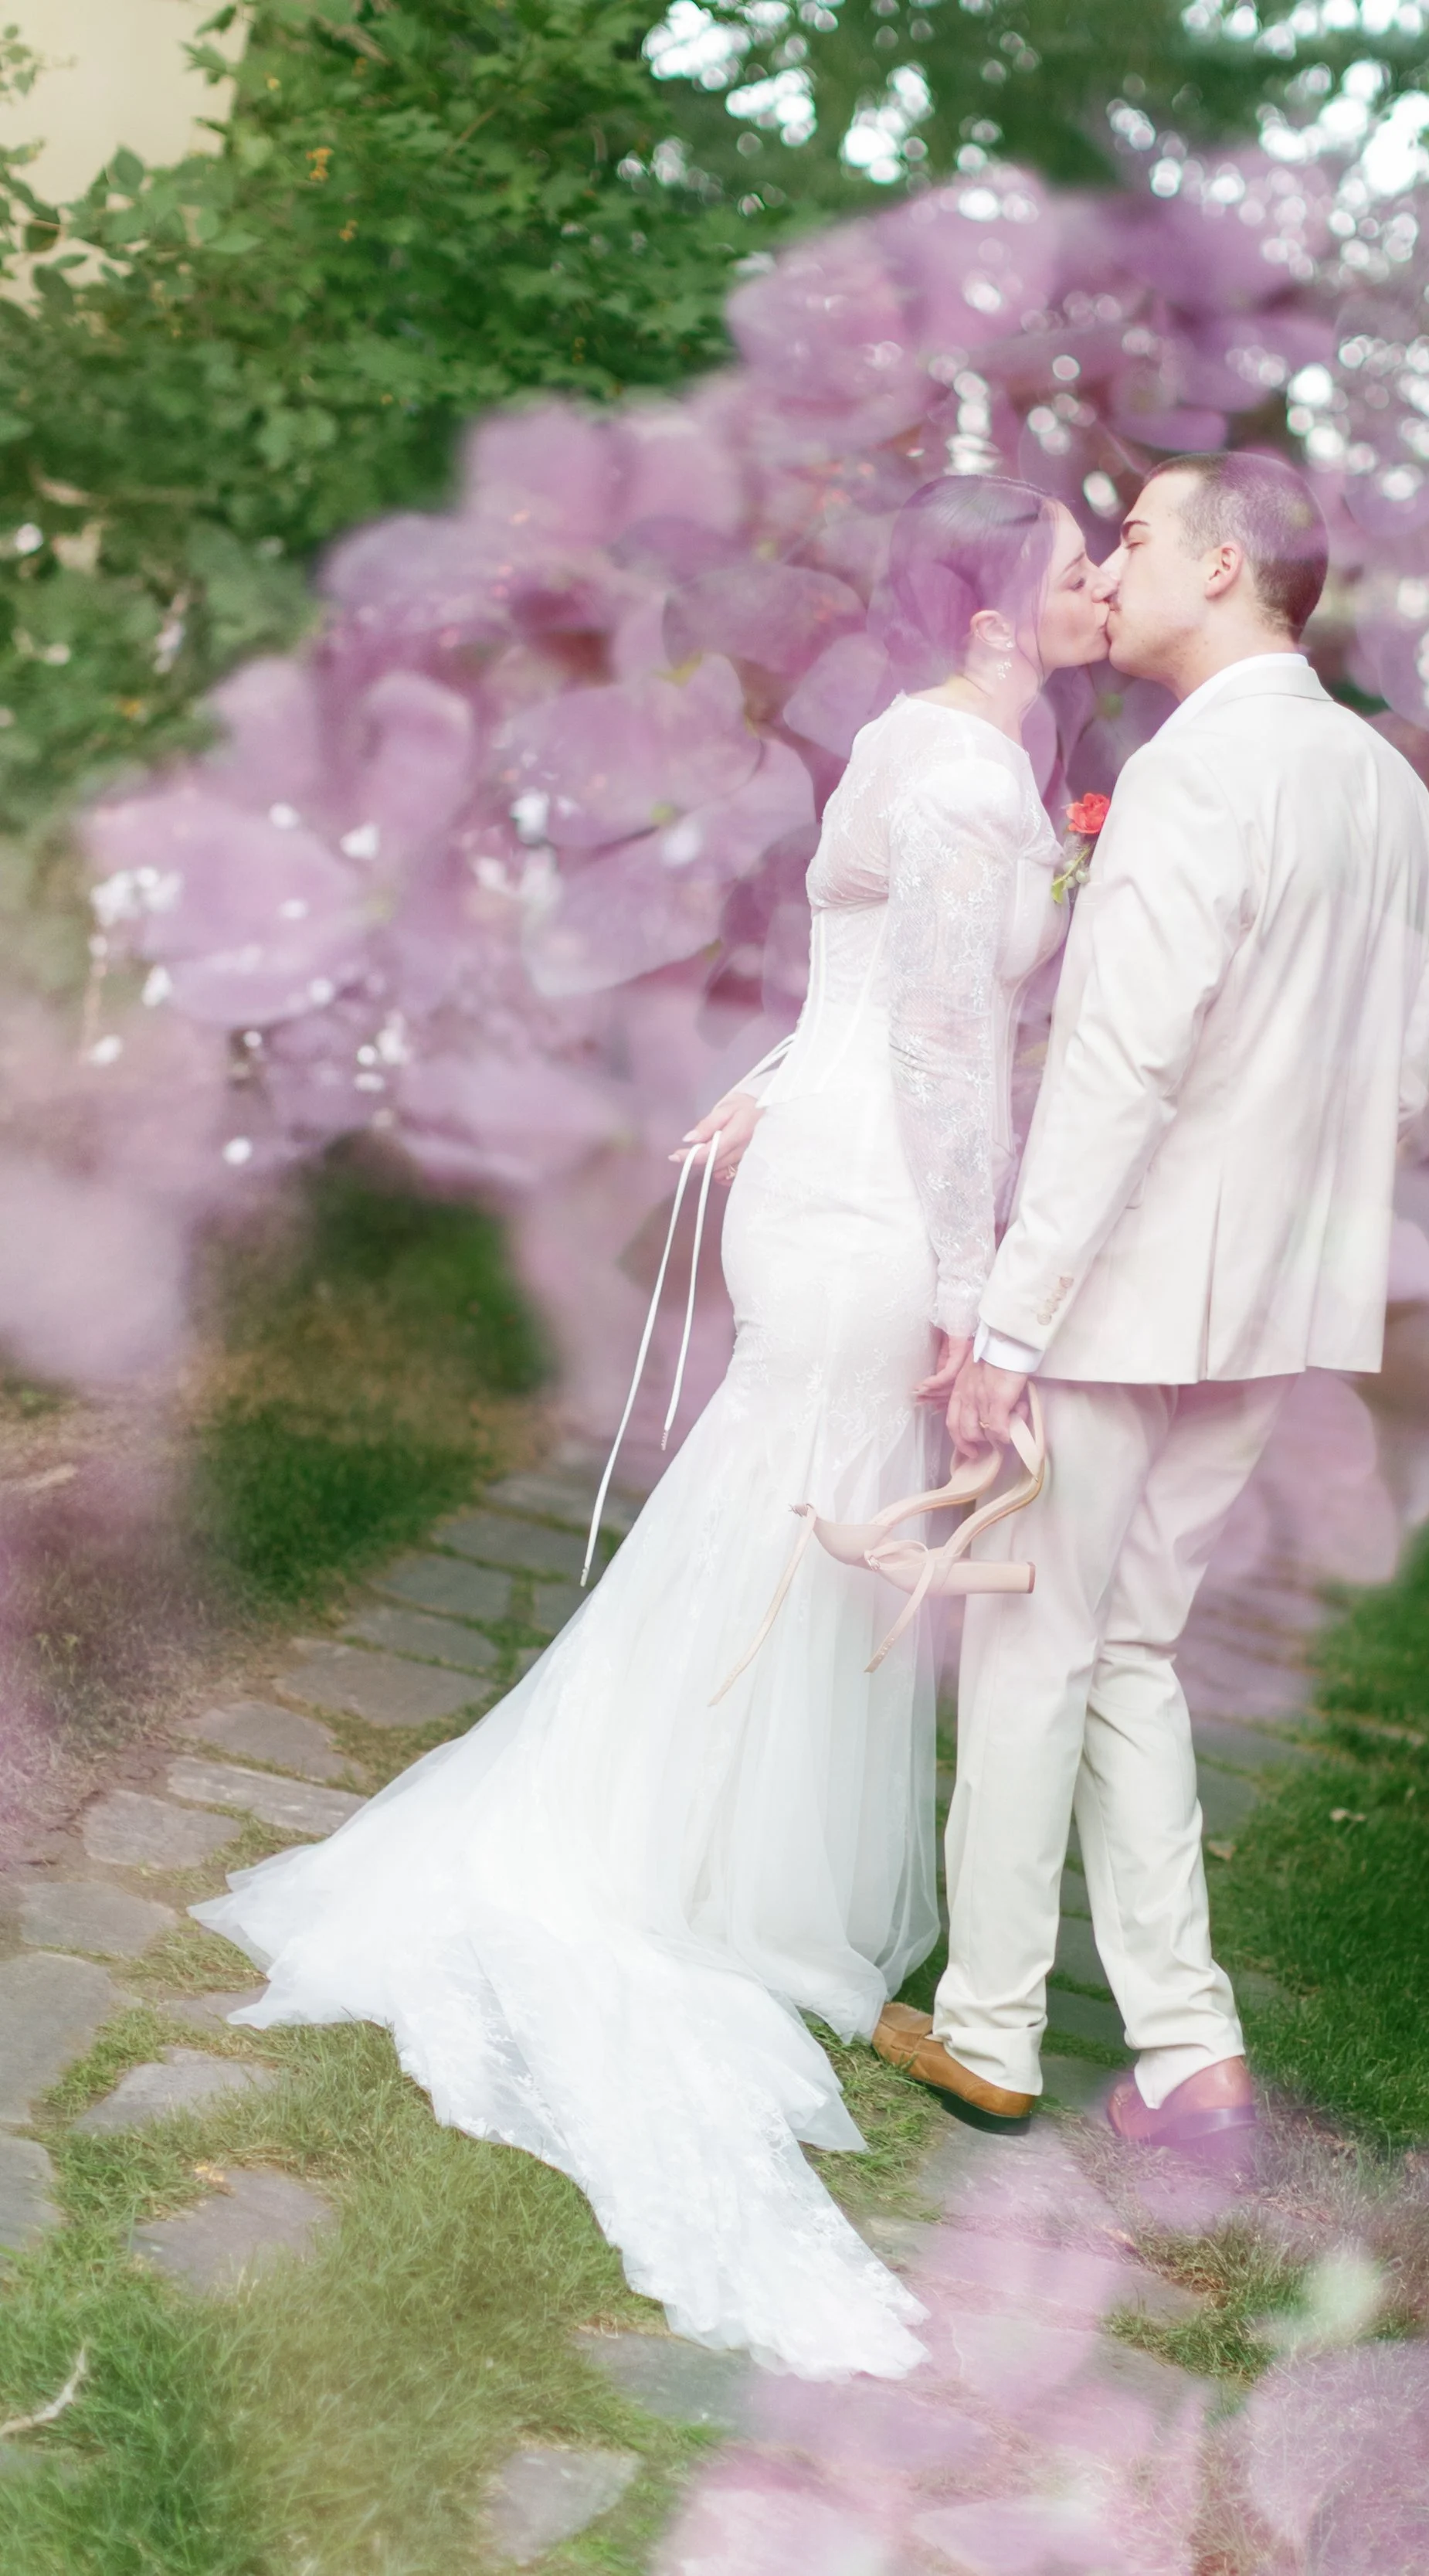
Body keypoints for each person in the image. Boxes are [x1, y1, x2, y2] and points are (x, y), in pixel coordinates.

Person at [193, 474, 1112, 2378]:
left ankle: (679, 1837)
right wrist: (971, 1280)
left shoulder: (903, 742)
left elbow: (856, 987)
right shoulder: (974, 779)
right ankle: (688, 1876)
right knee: (810, 1510)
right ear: (994, 618)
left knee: (780, 1500)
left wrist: (762, 1083)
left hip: (824, 1155)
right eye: (1071, 567)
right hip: (879, 1195)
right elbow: (942, 1045)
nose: (1100, 582)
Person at [874, 453, 1429, 2146]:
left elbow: (1117, 1071)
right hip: (1280, 1298)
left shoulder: (1201, 775)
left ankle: (984, 2025)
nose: (1109, 569)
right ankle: (1191, 2053)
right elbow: (1403, 1090)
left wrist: (1010, 1328)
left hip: (1127, 1290)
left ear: (1224, 564)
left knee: (1038, 1646)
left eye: (1133, 539)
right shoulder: (1389, 794)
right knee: (1128, 1641)